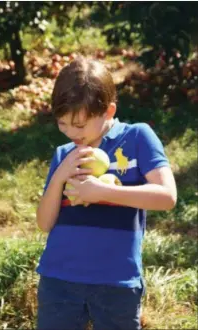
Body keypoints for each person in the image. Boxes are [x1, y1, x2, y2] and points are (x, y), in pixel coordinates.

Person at [36, 56, 177, 330]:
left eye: (79, 125)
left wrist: (102, 192)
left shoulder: (137, 138)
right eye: (63, 124)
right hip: (59, 280)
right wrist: (60, 176)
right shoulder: (65, 154)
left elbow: (166, 196)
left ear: (109, 111)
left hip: (116, 282)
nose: (70, 133)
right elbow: (44, 223)